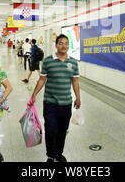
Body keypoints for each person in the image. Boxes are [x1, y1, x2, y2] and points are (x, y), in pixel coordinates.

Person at [30, 34, 81, 162]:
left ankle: (59, 153)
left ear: (68, 45)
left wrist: (78, 98)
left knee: (63, 130)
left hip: (66, 103)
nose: (63, 46)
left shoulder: (73, 62)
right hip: (50, 102)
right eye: (60, 43)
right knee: (51, 129)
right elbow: (42, 79)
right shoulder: (48, 60)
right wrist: (34, 94)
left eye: (66, 43)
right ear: (56, 45)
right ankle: (51, 155)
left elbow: (75, 81)